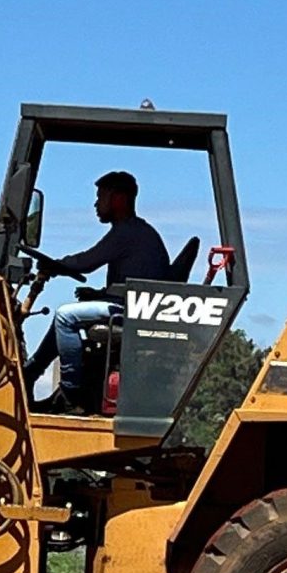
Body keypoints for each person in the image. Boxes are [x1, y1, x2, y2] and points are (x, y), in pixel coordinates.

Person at [27, 170, 170, 411]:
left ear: (118, 199)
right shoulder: (136, 232)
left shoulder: (127, 232)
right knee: (65, 317)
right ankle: (31, 371)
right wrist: (98, 294)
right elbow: (128, 282)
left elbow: (87, 261)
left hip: (131, 311)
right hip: (131, 305)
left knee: (65, 316)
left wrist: (56, 265)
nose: (96, 204)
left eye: (100, 196)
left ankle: (70, 394)